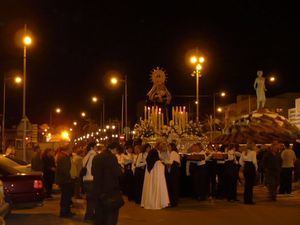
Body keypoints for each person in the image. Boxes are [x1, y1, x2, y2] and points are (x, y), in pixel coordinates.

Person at [92, 144, 123, 225]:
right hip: (110, 190)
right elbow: (117, 173)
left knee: (99, 213)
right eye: (116, 151)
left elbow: (93, 172)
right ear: (113, 149)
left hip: (98, 189)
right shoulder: (112, 158)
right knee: (111, 214)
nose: (116, 153)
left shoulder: (96, 157)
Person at [55, 145, 74, 217]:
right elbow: (65, 170)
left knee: (65, 196)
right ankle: (65, 212)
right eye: (71, 149)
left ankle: (66, 211)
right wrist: (69, 178)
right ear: (67, 149)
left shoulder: (62, 156)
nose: (71, 150)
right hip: (65, 180)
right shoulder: (64, 157)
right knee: (66, 197)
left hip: (63, 180)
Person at [82, 142, 97, 221]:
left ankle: (88, 215)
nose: (96, 148)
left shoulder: (86, 156)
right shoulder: (94, 155)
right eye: (95, 147)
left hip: (85, 180)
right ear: (92, 147)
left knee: (89, 200)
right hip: (91, 179)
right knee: (92, 200)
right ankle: (89, 216)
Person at [166, 143, 181, 207]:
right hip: (176, 170)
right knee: (175, 186)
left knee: (172, 186)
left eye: (169, 147)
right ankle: (175, 201)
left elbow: (170, 163)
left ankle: (173, 202)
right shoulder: (175, 153)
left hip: (173, 171)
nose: (168, 148)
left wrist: (164, 163)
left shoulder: (172, 153)